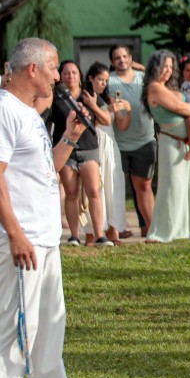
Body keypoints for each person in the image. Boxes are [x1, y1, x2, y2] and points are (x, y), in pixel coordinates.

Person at [0, 36, 91, 378]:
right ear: (32, 70)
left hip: (45, 238)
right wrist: (14, 234)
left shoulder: (28, 113)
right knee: (13, 329)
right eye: (53, 68)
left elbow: (46, 169)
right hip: (20, 238)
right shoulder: (0, 112)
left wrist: (70, 137)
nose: (58, 76)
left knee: (48, 328)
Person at [143, 50, 190, 243]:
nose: (168, 71)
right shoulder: (154, 88)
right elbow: (181, 108)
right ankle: (163, 231)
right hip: (171, 141)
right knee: (172, 185)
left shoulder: (168, 88)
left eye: (171, 68)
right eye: (164, 67)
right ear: (156, 67)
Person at [49, 60, 111, 247]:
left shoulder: (88, 94)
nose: (70, 76)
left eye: (74, 72)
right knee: (71, 193)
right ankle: (74, 235)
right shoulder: (55, 97)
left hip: (89, 148)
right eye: (66, 73)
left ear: (80, 75)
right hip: (67, 151)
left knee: (94, 191)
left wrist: (93, 105)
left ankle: (99, 234)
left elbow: (107, 119)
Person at [107, 44, 155, 237]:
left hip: (145, 139)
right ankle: (116, 229)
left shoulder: (144, 79)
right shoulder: (109, 82)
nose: (122, 60)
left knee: (143, 186)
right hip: (118, 143)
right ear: (112, 62)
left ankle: (152, 229)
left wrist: (142, 68)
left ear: (131, 58)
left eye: (125, 56)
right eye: (117, 58)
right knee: (115, 188)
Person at [86, 63, 129, 245]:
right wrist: (100, 109)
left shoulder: (108, 99)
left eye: (105, 80)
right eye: (99, 79)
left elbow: (121, 124)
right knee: (97, 187)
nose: (103, 83)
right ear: (91, 79)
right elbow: (96, 120)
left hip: (111, 143)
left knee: (114, 185)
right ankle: (92, 233)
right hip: (95, 141)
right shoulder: (87, 97)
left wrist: (126, 110)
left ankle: (114, 230)